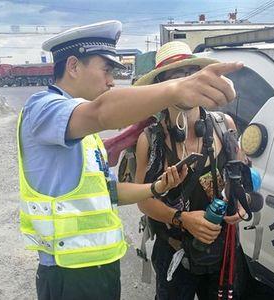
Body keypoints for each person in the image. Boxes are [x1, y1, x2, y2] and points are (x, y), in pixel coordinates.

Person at [17, 21, 243, 300]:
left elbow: (110, 191)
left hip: (98, 269)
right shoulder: (43, 108)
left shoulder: (84, 134)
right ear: (73, 66)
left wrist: (156, 188)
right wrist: (175, 90)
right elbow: (102, 112)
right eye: (107, 70)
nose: (111, 80)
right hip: (70, 271)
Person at [134, 41, 246, 300]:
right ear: (163, 85)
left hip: (223, 250)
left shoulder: (224, 125)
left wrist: (241, 204)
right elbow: (143, 201)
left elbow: (239, 176)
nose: (187, 82)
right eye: (176, 76)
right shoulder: (150, 140)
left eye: (191, 74)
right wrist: (182, 219)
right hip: (173, 252)